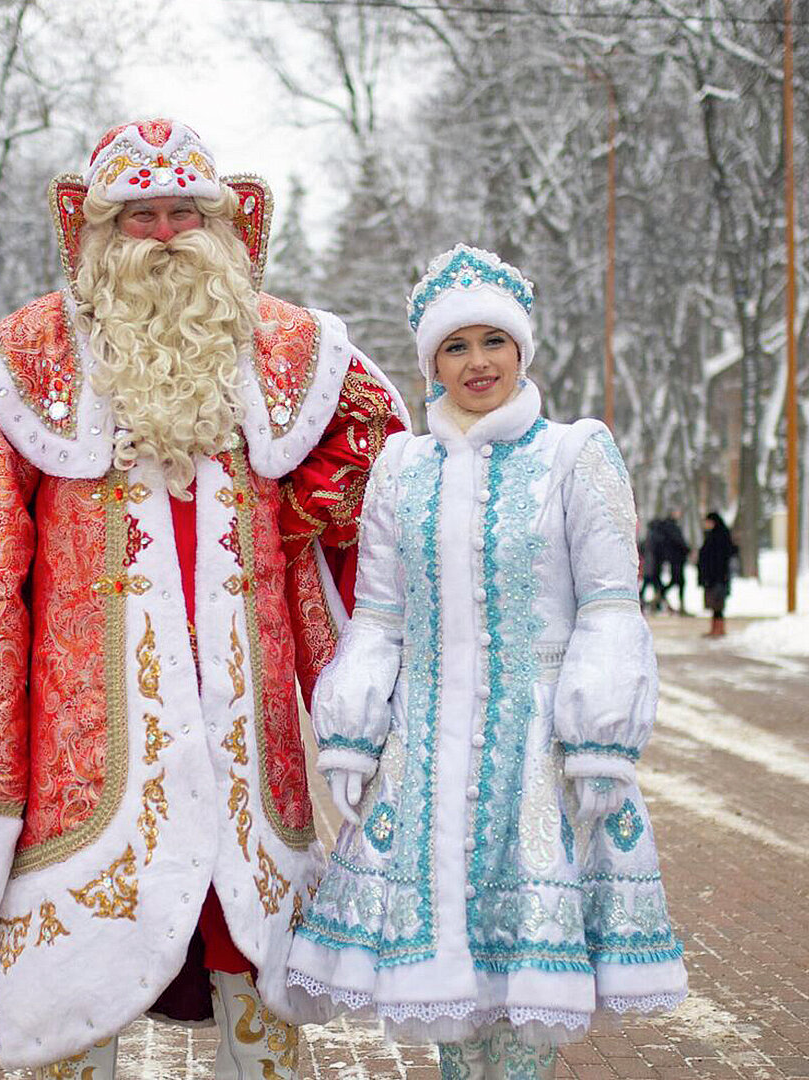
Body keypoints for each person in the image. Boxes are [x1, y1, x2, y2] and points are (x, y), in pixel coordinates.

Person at [0, 119, 407, 1078]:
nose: (162, 234)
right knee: (74, 999)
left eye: (181, 212)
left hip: (246, 740)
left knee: (253, 970)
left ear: (220, 227)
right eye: (137, 216)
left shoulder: (286, 347)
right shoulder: (31, 353)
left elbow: (380, 433)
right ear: (97, 233)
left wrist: (323, 491)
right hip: (88, 749)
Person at [287, 245, 687, 1078]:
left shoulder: (577, 455)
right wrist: (354, 727)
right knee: (446, 996)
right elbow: (380, 615)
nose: (478, 363)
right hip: (426, 756)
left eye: (493, 343)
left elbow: (612, 606)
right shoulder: (403, 467)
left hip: (539, 758)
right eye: (456, 347)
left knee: (526, 1003)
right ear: (432, 362)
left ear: (521, 350)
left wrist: (599, 735)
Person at [697, 511, 736, 638]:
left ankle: (719, 629)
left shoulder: (719, 537)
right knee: (715, 605)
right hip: (714, 577)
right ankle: (715, 628)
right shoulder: (714, 535)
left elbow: (718, 558)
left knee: (718, 604)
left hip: (718, 577)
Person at [658, 512, 690, 615]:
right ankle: (662, 594)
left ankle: (661, 595)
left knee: (677, 582)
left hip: (674, 559)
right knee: (678, 582)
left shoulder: (667, 528)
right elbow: (679, 542)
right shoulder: (673, 528)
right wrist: (687, 549)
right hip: (677, 559)